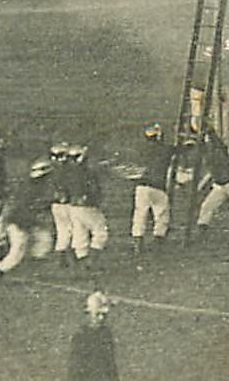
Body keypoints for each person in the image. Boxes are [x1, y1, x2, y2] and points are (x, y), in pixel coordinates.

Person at [0, 158, 57, 279]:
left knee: (44, 240)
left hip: (28, 221)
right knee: (19, 248)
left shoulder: (36, 187)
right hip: (19, 222)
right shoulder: (31, 189)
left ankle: (34, 269)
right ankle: (0, 270)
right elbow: (23, 209)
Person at [130, 123, 174, 261]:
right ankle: (158, 244)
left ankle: (138, 245)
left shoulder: (142, 149)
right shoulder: (166, 149)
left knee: (140, 216)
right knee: (161, 215)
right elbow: (181, 149)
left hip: (142, 187)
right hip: (158, 186)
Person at [66, 144, 109, 270]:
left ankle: (82, 264)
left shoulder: (68, 172)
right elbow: (95, 189)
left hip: (73, 206)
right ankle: (92, 262)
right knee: (100, 232)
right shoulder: (87, 172)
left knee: (79, 234)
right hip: (87, 205)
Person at [67, 291, 120, 381]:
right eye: (97, 314)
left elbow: (111, 366)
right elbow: (75, 370)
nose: (101, 318)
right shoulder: (80, 337)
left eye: (104, 315)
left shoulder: (106, 334)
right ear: (88, 314)